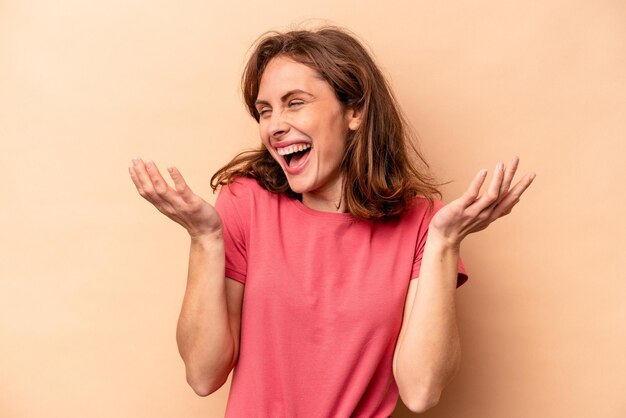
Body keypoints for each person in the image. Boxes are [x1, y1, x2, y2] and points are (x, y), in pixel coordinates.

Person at [128, 26, 535, 417]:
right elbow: (202, 374)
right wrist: (204, 237)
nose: (275, 125)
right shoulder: (244, 202)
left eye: (295, 102)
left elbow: (421, 389)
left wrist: (445, 241)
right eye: (264, 111)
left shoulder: (420, 221)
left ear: (354, 110)